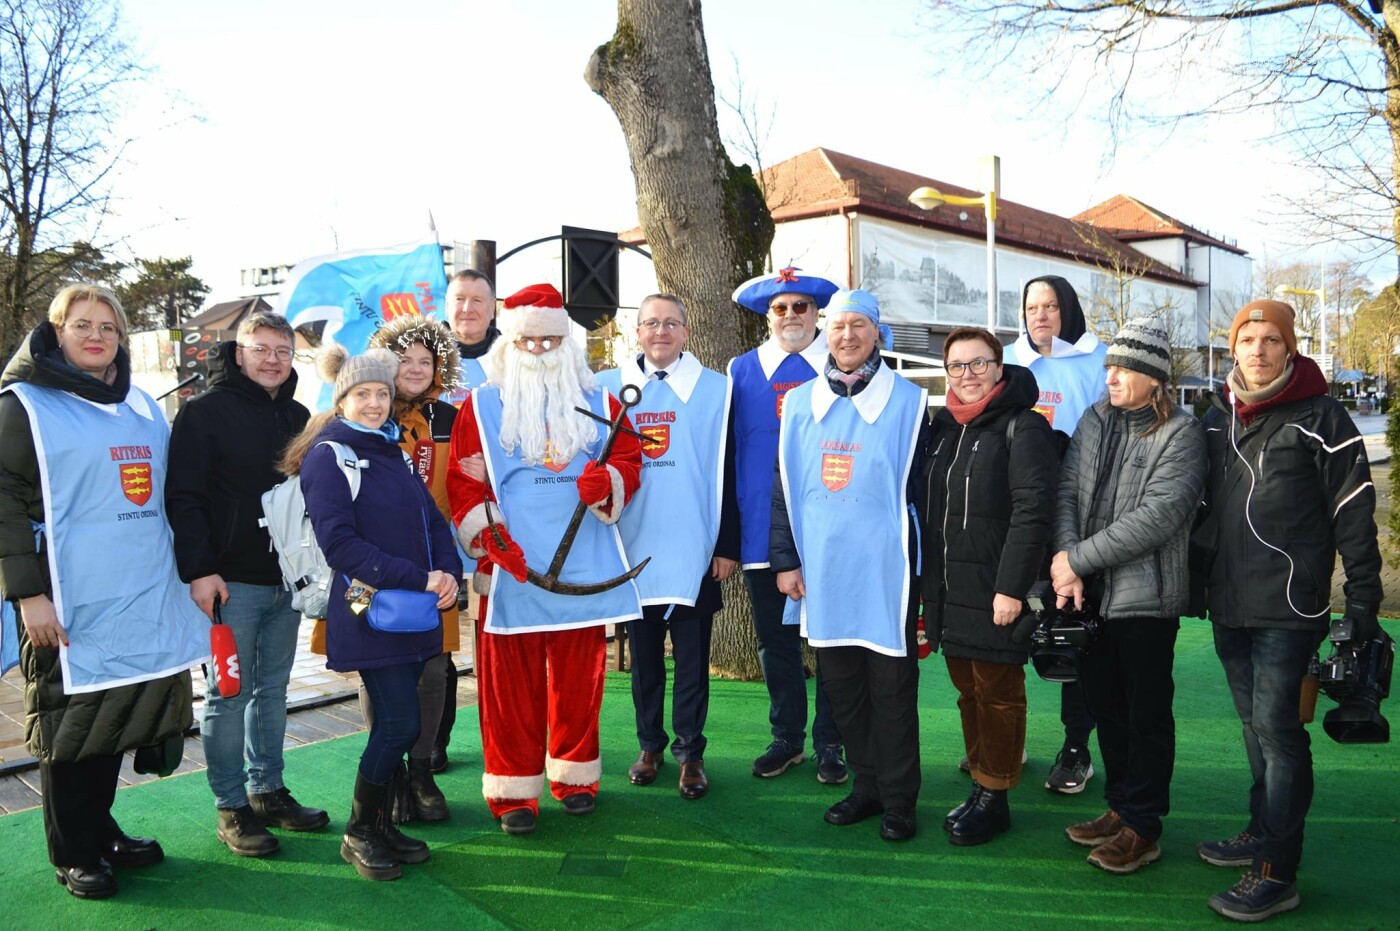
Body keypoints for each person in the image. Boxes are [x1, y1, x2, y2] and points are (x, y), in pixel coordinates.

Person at [0, 285, 208, 900]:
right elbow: (5, 506)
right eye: (82, 325)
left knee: (117, 720)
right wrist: (28, 595)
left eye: (109, 328)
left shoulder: (139, 404)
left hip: (139, 592)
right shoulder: (24, 406)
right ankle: (73, 852)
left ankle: (102, 829)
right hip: (67, 598)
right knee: (71, 728)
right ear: (56, 332)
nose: (96, 336)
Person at [1191, 300, 1384, 922]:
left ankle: (1276, 869)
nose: (1257, 349)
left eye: (1270, 339)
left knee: (1278, 733)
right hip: (1227, 602)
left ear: (1291, 348)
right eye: (1246, 339)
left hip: (1290, 606)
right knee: (1253, 726)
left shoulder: (1323, 417)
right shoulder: (1215, 416)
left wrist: (1362, 605)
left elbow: (1354, 517)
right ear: (1233, 348)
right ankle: (1259, 829)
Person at [447, 282, 643, 835]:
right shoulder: (481, 407)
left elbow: (629, 458)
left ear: (568, 342)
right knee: (509, 688)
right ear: (509, 342)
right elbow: (463, 479)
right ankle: (514, 789)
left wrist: (608, 478)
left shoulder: (603, 403)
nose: (539, 351)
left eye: (550, 340)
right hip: (510, 570)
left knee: (580, 679)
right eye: (528, 341)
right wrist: (491, 537)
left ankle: (575, 777)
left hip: (584, 564)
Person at [279, 346, 462, 882]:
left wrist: (448, 570)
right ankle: (360, 832)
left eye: (383, 393)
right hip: (362, 604)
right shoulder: (329, 455)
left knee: (398, 724)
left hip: (408, 608)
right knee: (400, 723)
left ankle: (378, 827)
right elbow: (341, 546)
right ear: (342, 399)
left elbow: (431, 522)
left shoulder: (391, 450)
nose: (376, 402)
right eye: (364, 393)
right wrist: (420, 579)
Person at [166, 311, 329, 858]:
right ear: (239, 353)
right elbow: (182, 498)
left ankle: (267, 790)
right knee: (228, 694)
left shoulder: (302, 416)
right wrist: (200, 570)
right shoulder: (203, 414)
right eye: (261, 349)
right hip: (229, 583)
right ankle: (231, 805)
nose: (272, 359)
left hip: (286, 581)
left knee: (274, 690)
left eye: (282, 351)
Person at [770, 290, 928, 841]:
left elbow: (920, 495)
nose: (846, 337)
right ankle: (866, 787)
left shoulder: (910, 403)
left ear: (876, 333)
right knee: (843, 689)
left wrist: (921, 569)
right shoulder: (797, 404)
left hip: (887, 574)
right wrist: (786, 560)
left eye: (858, 325)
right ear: (825, 334)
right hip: (823, 573)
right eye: (838, 327)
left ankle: (901, 798)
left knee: (891, 688)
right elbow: (783, 488)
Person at [1051, 317, 1206, 874]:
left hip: (1146, 601)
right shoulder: (1095, 419)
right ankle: (1119, 808)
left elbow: (1158, 517)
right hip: (1089, 597)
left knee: (1145, 715)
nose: (1110, 376)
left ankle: (1144, 826)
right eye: (1109, 366)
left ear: (1153, 377)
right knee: (1106, 709)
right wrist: (1068, 564)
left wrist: (1075, 560)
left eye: (1123, 368)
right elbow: (1067, 491)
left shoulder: (1181, 433)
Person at [920, 326, 1059, 846]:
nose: (968, 375)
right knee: (967, 693)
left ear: (999, 368)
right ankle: (980, 785)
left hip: (996, 588)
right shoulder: (944, 429)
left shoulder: (1023, 427)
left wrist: (1011, 587)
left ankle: (996, 797)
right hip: (947, 585)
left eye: (979, 364)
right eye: (957, 366)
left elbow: (1033, 512)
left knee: (998, 693)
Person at [597, 293, 739, 800]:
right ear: (637, 332)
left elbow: (729, 470)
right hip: (630, 547)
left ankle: (690, 754)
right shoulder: (607, 389)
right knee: (645, 659)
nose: (660, 332)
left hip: (693, 546)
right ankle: (650, 746)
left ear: (685, 332)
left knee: (693, 659)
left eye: (671, 323)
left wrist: (726, 544)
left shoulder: (717, 390)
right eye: (650, 323)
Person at [729, 266, 846, 784]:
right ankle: (787, 737)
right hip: (761, 532)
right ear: (767, 316)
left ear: (817, 313)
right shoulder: (740, 370)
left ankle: (833, 742)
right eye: (781, 308)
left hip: (828, 529)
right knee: (775, 643)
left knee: (832, 642)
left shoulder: (842, 366)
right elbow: (727, 456)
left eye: (801, 306)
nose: (791, 316)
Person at [1008, 275, 1107, 795]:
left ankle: (1076, 749)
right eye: (1031, 306)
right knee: (1008, 635)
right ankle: (1008, 740)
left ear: (1068, 310)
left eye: (1049, 306)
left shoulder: (1098, 360)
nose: (1040, 315)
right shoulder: (1003, 360)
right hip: (1017, 519)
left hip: (1076, 520)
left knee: (1072, 639)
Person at [365, 314, 463, 820]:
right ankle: (388, 775)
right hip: (371, 568)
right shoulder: (365, 416)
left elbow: (463, 490)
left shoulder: (452, 419)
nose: (416, 369)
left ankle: (422, 771)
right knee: (378, 670)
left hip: (434, 566)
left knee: (431, 672)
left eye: (426, 360)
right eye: (405, 359)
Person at [437, 268, 500, 768]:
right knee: (435, 646)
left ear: (493, 307)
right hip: (433, 520)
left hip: (493, 528)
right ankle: (431, 744)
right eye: (459, 299)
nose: (468, 309)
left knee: (493, 644)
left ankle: (498, 736)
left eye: (478, 300)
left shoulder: (513, 358)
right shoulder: (423, 360)